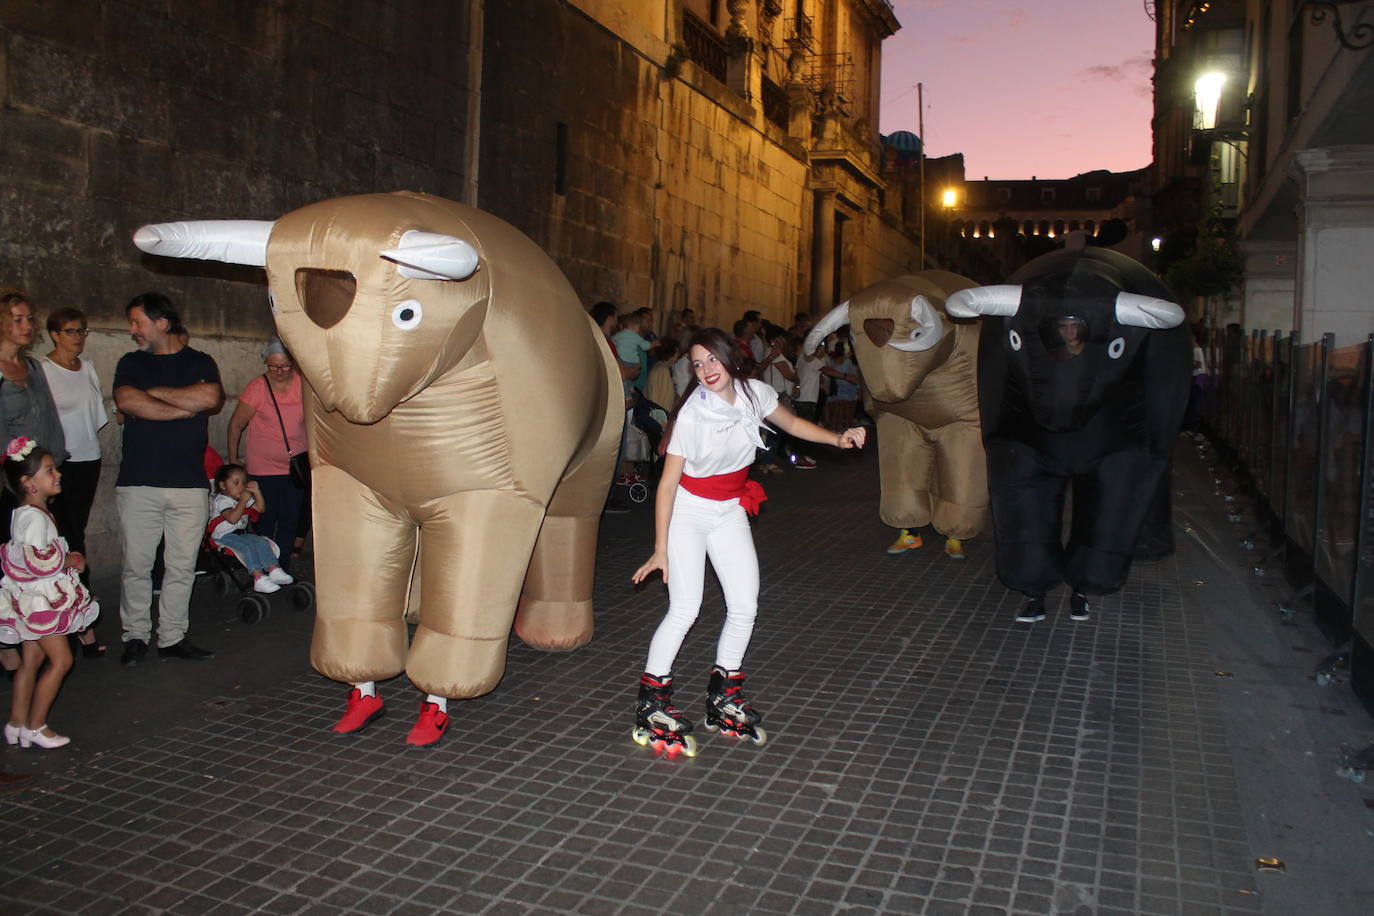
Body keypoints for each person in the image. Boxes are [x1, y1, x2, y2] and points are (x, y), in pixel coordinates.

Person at [629, 328, 866, 756]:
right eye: (697, 364)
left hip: (730, 509)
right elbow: (666, 485)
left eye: (712, 359)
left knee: (744, 605)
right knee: (685, 608)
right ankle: (652, 703)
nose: (706, 369)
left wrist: (837, 438)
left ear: (728, 357)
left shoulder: (755, 393)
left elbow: (792, 423)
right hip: (689, 512)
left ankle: (724, 694)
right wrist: (661, 548)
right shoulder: (693, 415)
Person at [113, 292, 223, 667]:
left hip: (189, 484)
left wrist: (153, 396)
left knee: (181, 567)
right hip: (138, 483)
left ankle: (172, 636)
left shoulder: (200, 361)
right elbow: (127, 401)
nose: (133, 330)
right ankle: (135, 635)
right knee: (137, 566)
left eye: (138, 322)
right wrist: (180, 408)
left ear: (161, 322)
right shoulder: (131, 362)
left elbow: (209, 397)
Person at [0, 437, 98, 750]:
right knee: (62, 660)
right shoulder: (33, 517)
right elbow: (37, 561)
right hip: (40, 603)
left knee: (32, 659)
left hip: (30, 599)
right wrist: (71, 560)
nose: (58, 474)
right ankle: (36, 725)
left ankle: (17, 722)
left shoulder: (26, 513)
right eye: (49, 470)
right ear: (29, 483)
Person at [40, 307, 109, 658]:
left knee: (74, 533)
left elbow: (96, 416)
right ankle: (80, 620)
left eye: (82, 331)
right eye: (71, 331)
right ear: (54, 334)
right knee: (65, 538)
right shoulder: (43, 369)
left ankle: (76, 615)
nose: (78, 338)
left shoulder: (89, 368)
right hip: (58, 465)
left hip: (88, 459)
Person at [225, 339, 308, 567]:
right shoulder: (258, 388)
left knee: (290, 519)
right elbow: (236, 424)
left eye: (284, 366)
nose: (279, 372)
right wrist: (233, 459)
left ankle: (281, 566)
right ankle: (263, 567)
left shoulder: (302, 385)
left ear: (293, 363)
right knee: (265, 519)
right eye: (273, 366)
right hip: (263, 469)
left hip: (295, 468)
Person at [0, 289, 66, 542]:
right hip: (10, 475)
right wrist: (19, 469)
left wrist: (52, 465)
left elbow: (50, 417)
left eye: (29, 319)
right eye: (18, 320)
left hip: (38, 474)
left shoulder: (33, 366)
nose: (27, 326)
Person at [209, 464, 295, 593]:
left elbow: (260, 508)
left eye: (244, 483)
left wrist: (256, 492)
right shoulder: (222, 501)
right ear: (223, 485)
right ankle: (258, 577)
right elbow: (232, 519)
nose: (241, 487)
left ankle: (273, 569)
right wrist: (242, 502)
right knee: (247, 547)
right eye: (236, 483)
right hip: (223, 537)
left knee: (261, 541)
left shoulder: (241, 497)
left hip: (239, 534)